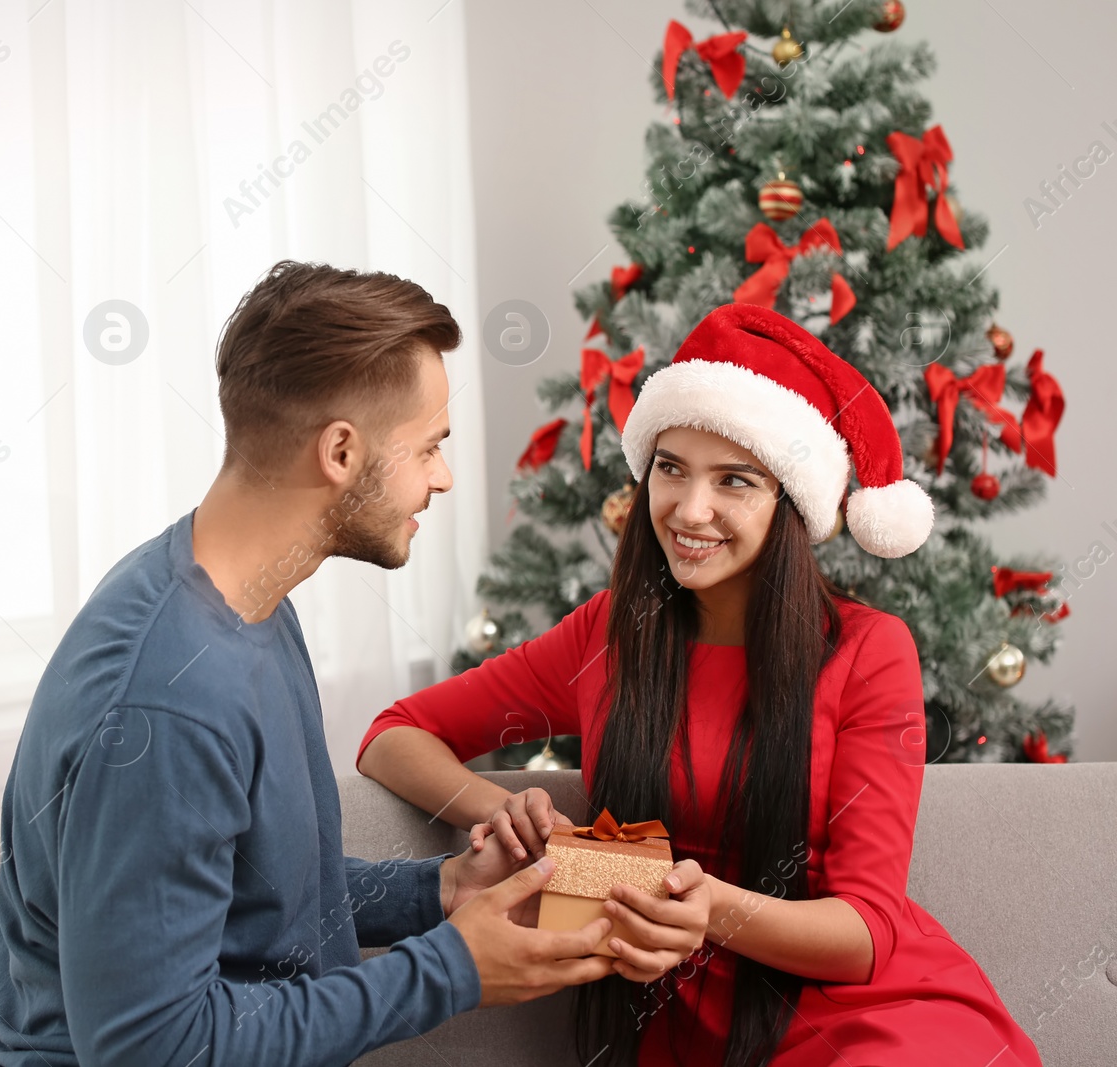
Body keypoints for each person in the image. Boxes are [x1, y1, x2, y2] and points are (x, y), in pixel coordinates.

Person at [0, 261, 708, 1066]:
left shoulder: (247, 603)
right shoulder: (168, 701)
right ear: (339, 451)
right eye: (430, 446)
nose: (444, 476)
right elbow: (150, 1048)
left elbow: (261, 893)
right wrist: (451, 968)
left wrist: (442, 890)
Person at [357, 303, 1044, 1066]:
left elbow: (865, 938)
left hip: (869, 1019)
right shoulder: (609, 631)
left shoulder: (870, 650)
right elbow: (392, 736)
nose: (690, 510)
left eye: (735, 481)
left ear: (789, 501)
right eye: (672, 468)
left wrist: (708, 907)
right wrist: (507, 812)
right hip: (682, 1019)